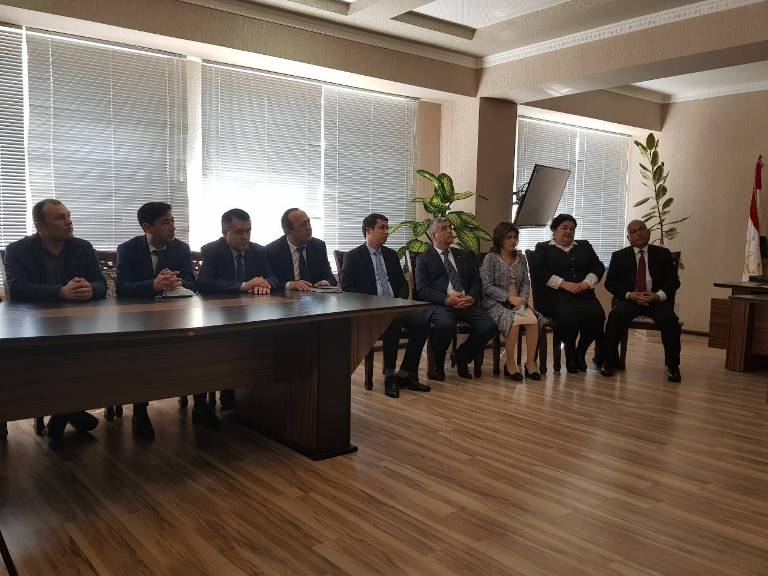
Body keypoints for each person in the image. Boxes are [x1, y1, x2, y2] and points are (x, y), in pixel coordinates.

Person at [4, 198, 106, 441]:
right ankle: (69, 411)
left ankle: (63, 413)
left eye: (68, 215)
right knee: (47, 362)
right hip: (32, 323)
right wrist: (59, 292)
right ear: (40, 227)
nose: (69, 222)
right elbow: (17, 289)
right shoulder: (17, 250)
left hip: (77, 323)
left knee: (94, 358)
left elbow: (101, 283)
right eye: (60, 217)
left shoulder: (82, 247)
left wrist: (90, 289)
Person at [115, 201, 198, 437]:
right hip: (138, 318)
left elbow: (192, 284)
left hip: (175, 316)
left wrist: (176, 282)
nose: (172, 227)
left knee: (197, 347)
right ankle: (140, 410)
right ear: (147, 227)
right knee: (141, 356)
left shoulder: (180, 248)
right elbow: (122, 287)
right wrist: (153, 284)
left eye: (173, 221)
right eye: (165, 222)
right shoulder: (128, 249)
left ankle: (201, 404)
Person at [198, 208, 282, 410]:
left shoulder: (258, 251)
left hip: (249, 316)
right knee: (210, 353)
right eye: (239, 232)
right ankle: (205, 401)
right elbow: (204, 283)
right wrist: (244, 285)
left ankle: (243, 393)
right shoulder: (212, 250)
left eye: (248, 231)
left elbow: (273, 278)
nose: (245, 237)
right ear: (224, 232)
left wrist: (265, 285)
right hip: (217, 316)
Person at [341, 213, 431, 398]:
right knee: (392, 322)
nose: (386, 232)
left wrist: (400, 301)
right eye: (382, 228)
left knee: (423, 322)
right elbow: (347, 288)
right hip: (371, 311)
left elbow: (402, 284)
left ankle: (405, 374)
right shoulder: (353, 256)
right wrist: (377, 304)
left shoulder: (391, 255)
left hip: (395, 306)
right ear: (368, 230)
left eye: (387, 228)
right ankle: (390, 375)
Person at [601, 219, 682, 382]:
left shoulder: (663, 254)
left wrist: (657, 296)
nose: (639, 234)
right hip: (630, 300)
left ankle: (673, 366)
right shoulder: (619, 256)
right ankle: (609, 361)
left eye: (642, 229)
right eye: (633, 232)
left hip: (655, 300)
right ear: (628, 238)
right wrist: (629, 295)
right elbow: (610, 283)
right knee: (615, 316)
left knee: (670, 319)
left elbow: (674, 282)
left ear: (648, 232)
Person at [415, 217, 495, 381]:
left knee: (489, 326)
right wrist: (446, 299)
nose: (450, 231)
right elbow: (422, 290)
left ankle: (462, 356)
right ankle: (438, 364)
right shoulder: (424, 259)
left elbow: (475, 280)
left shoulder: (463, 255)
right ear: (434, 235)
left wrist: (472, 297)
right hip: (441, 305)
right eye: (444, 228)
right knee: (445, 325)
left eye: (450, 227)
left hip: (465, 302)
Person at [531, 213, 605, 373]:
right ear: (554, 230)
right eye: (564, 228)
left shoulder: (584, 246)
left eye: (572, 228)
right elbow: (539, 272)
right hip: (555, 297)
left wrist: (586, 283)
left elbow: (598, 267)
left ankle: (581, 351)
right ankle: (570, 352)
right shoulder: (543, 248)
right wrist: (564, 284)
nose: (568, 232)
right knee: (568, 315)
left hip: (584, 294)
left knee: (598, 316)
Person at [480, 222, 541, 381]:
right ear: (500, 239)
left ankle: (530, 364)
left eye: (515, 237)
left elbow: (526, 282)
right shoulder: (490, 258)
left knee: (533, 321)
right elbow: (487, 286)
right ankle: (510, 364)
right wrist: (509, 298)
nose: (513, 240)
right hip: (496, 303)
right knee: (512, 320)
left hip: (518, 302)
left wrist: (522, 299)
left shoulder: (521, 258)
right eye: (509, 237)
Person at [265, 208, 336, 290]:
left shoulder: (318, 246)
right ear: (287, 231)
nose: (308, 228)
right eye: (302, 225)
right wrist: (289, 285)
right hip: (286, 297)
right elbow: (270, 282)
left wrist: (325, 282)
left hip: (314, 296)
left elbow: (331, 278)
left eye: (308, 222)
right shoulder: (272, 251)